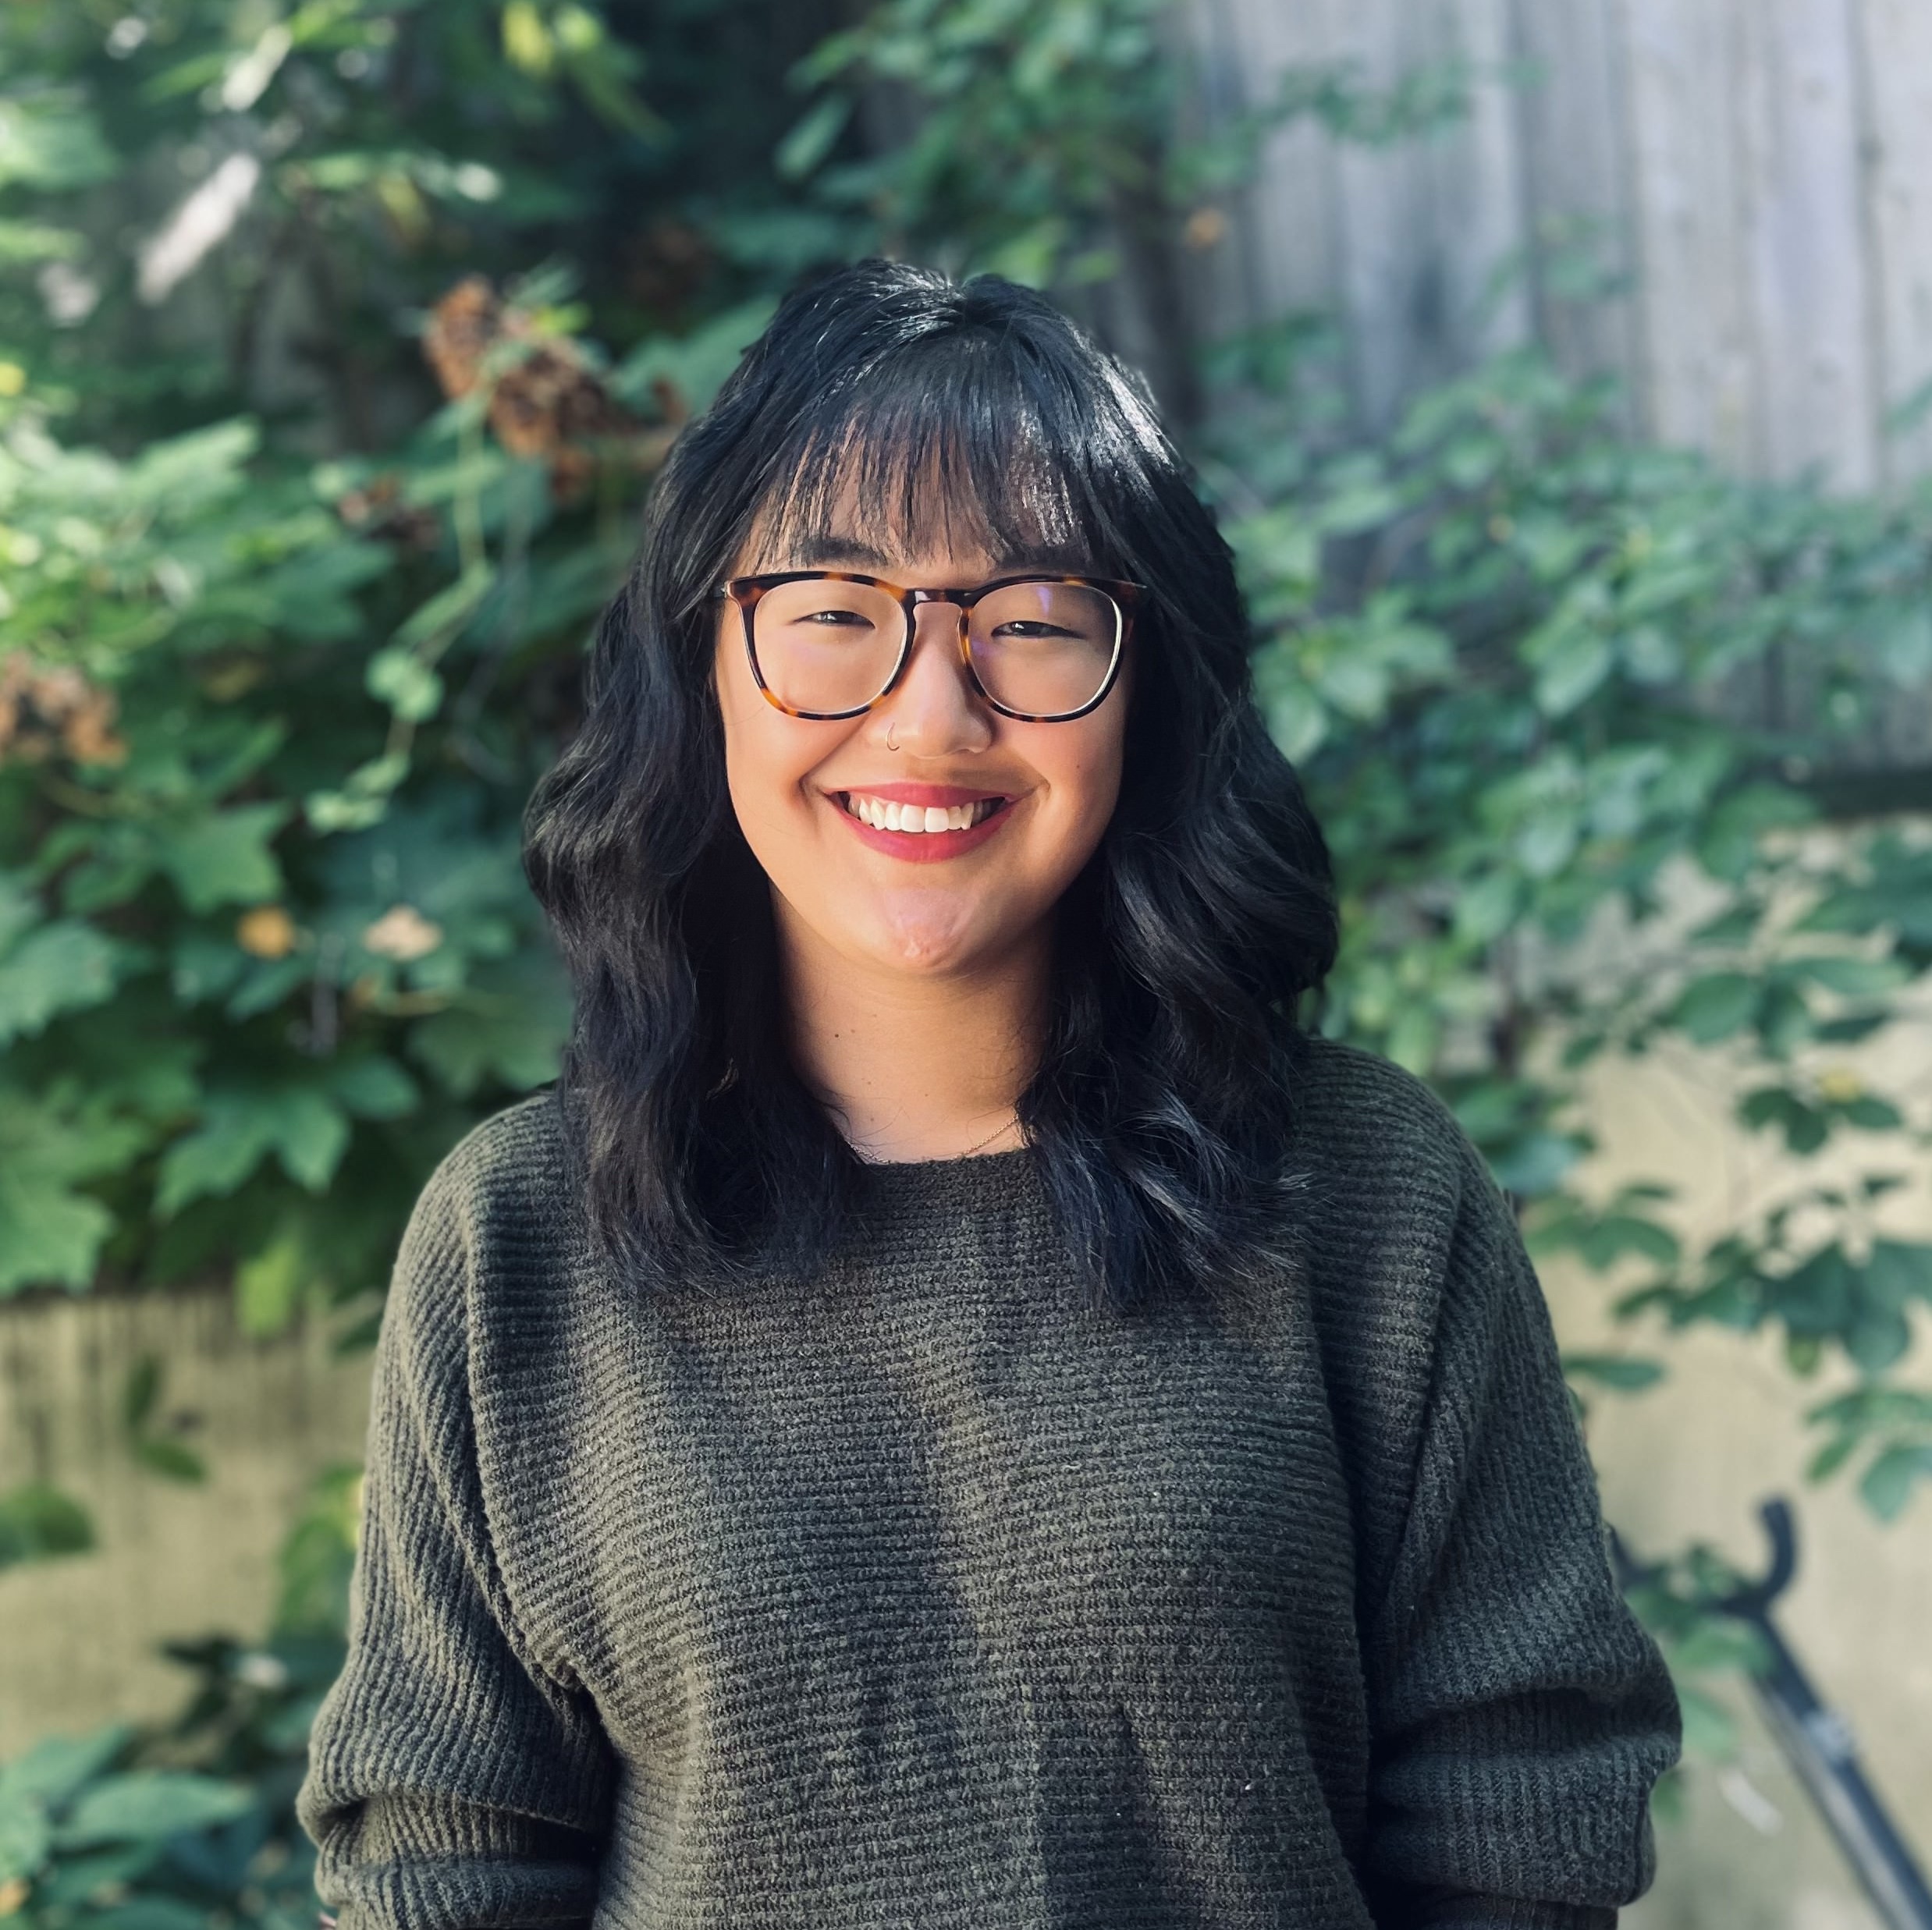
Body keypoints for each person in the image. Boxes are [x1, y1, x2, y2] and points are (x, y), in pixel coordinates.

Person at [296, 260, 1680, 1930]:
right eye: (831, 611)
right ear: (704, 667)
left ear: (1144, 681)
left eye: (1028, 621)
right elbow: (440, 1868)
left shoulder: (1369, 1195)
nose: (928, 712)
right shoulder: (518, 1237)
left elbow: (1516, 1837)